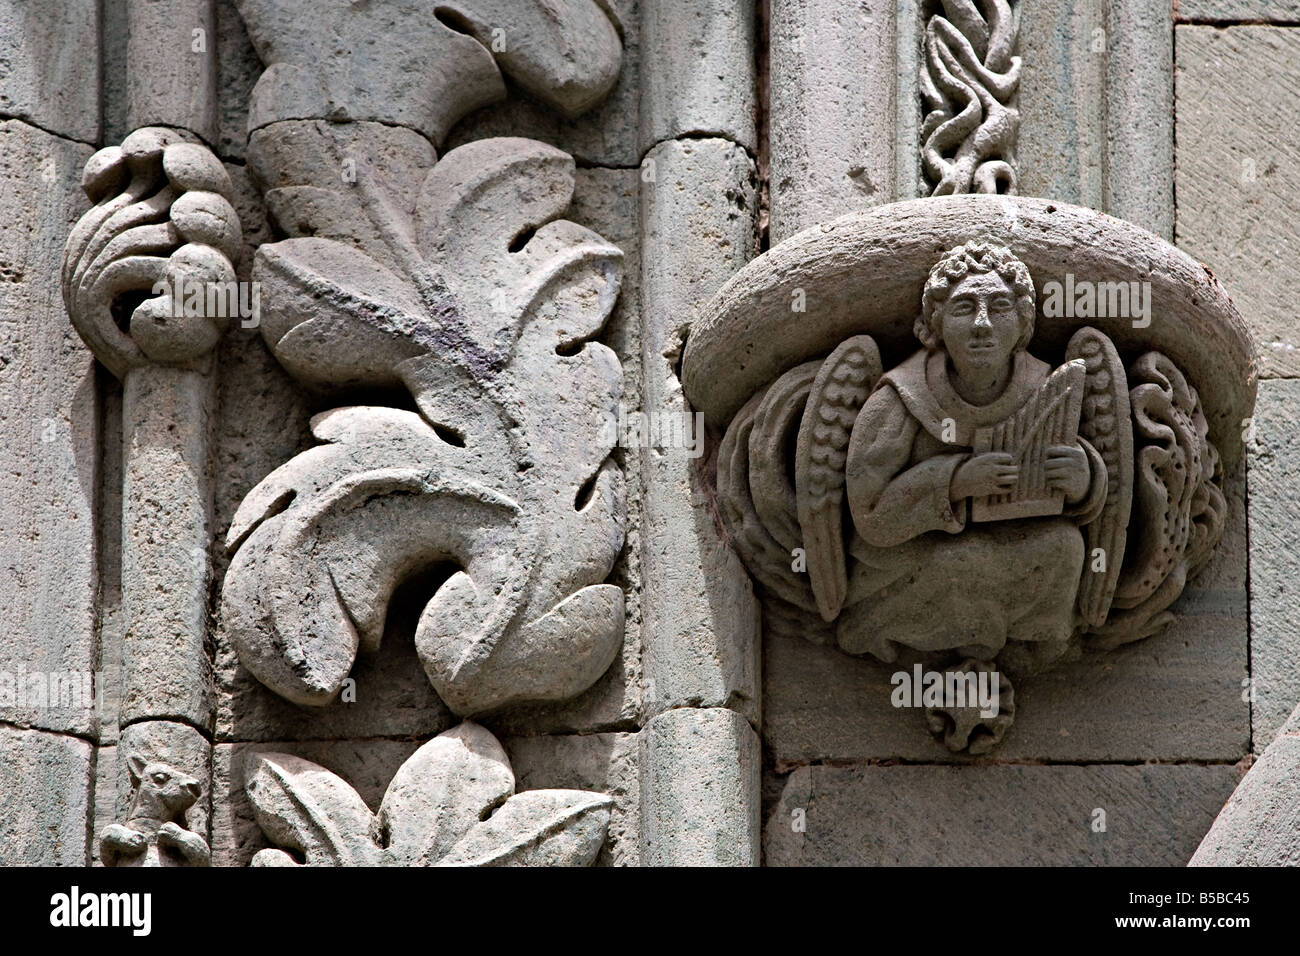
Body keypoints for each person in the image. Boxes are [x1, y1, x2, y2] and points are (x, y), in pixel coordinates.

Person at [837, 243, 1107, 674]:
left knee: (1067, 548)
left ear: (1022, 324)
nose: (982, 324)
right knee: (961, 560)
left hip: (1007, 549)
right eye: (964, 308)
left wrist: (1085, 479)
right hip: (914, 560)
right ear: (935, 326)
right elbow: (869, 513)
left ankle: (1032, 642)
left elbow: (1078, 461)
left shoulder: (1046, 388)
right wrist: (955, 480)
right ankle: (893, 628)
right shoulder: (902, 397)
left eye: (999, 307)